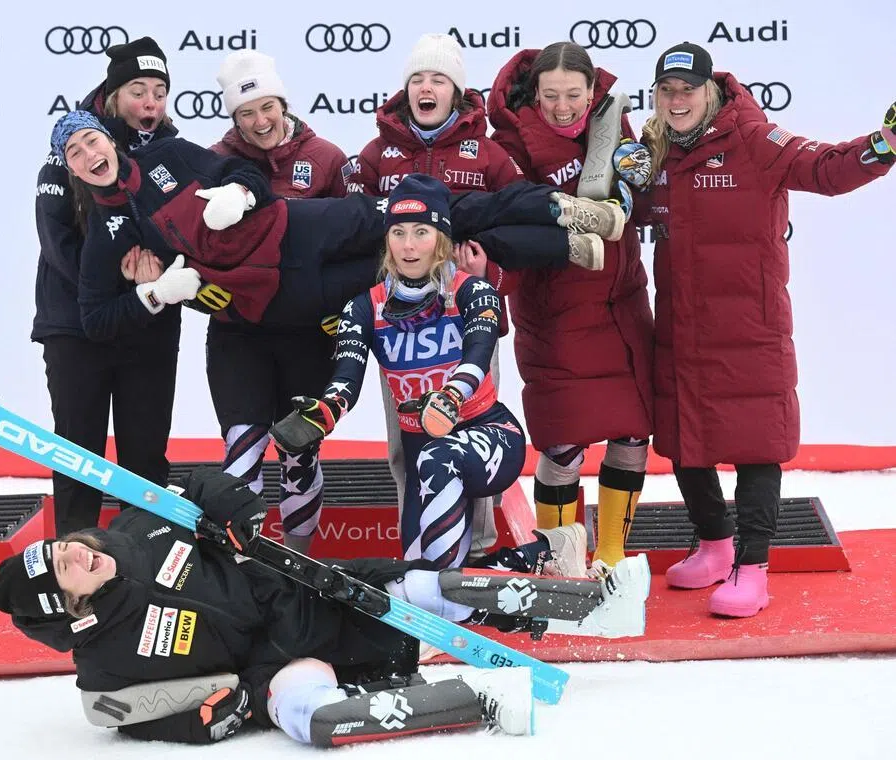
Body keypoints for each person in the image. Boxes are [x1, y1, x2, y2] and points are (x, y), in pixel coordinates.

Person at [0, 466, 651, 746]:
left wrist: (239, 515)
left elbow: (198, 482)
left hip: (305, 593)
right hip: (271, 667)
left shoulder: (139, 526)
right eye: (64, 574)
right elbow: (137, 720)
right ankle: (476, 700)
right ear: (71, 613)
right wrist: (225, 713)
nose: (75, 555)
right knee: (312, 721)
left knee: (425, 591)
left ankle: (597, 608)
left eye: (62, 548)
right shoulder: (105, 666)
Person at [629, 41, 895, 616]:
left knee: (754, 446)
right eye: (666, 91)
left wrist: (886, 143)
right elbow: (628, 213)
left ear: (710, 92)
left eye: (687, 90)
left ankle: (752, 569)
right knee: (683, 442)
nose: (677, 101)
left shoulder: (755, 139)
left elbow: (827, 168)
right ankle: (715, 545)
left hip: (749, 327)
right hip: (680, 325)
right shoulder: (653, 149)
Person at [48, 111, 623, 340]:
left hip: (300, 226)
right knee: (425, 260)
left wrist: (240, 192)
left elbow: (234, 168)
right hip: (280, 294)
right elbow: (96, 319)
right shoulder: (109, 231)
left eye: (90, 139)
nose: (88, 153)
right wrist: (155, 295)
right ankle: (562, 248)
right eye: (74, 152)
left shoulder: (165, 156)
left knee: (421, 217)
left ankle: (558, 210)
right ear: (72, 169)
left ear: (108, 138)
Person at [270, 174, 598, 574]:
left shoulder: (471, 291)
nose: (408, 246)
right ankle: (544, 551)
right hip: (420, 448)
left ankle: (450, 598)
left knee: (438, 461)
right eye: (399, 233)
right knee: (417, 575)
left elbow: (478, 354)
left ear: (441, 239)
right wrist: (325, 410)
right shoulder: (364, 307)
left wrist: (453, 395)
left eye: (421, 232)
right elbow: (347, 377)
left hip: (486, 433)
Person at [484, 42, 654, 571]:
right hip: (555, 312)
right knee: (563, 445)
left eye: (573, 94)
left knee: (631, 432)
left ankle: (611, 553)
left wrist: (638, 182)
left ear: (591, 90)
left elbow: (638, 209)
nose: (562, 106)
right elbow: (506, 225)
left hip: (620, 307)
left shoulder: (616, 127)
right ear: (533, 93)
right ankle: (562, 561)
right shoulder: (507, 144)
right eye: (550, 94)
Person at [32, 36, 182, 536]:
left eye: (159, 91)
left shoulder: (170, 151)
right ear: (113, 94)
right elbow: (57, 244)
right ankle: (75, 564)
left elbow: (186, 234)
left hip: (149, 326)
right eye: (138, 90)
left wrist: (161, 276)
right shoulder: (72, 148)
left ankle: (146, 567)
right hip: (76, 326)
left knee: (145, 454)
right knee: (78, 451)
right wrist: (118, 280)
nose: (150, 103)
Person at [204, 51, 351, 553]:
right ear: (233, 117)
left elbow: (356, 240)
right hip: (238, 332)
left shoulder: (328, 158)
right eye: (246, 113)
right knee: (242, 448)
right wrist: (205, 296)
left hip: (308, 333)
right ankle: (239, 562)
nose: (259, 121)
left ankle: (297, 563)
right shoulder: (215, 161)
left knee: (298, 450)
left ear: (283, 103)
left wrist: (341, 306)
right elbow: (196, 246)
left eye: (267, 107)